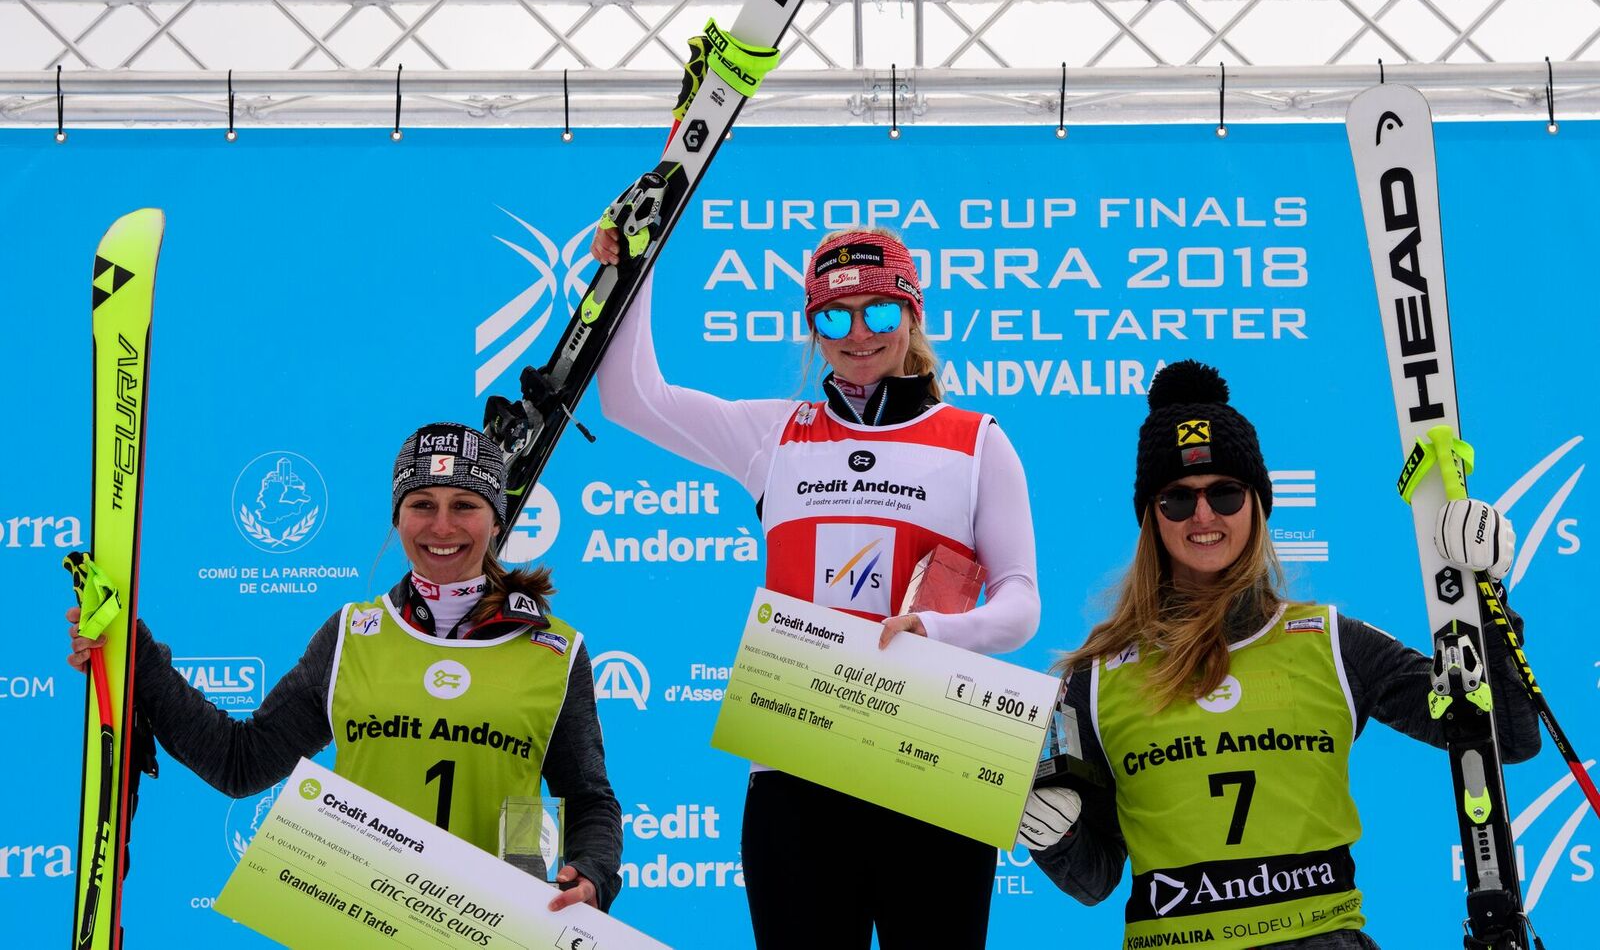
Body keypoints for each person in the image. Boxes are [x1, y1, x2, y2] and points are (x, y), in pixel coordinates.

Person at [590, 225, 1040, 949]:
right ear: (812, 327)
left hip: (931, 756)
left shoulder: (977, 440)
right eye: (833, 316)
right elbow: (632, 399)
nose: (857, 334)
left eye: (879, 312)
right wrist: (634, 271)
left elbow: (1021, 601)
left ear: (912, 314)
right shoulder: (776, 436)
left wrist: (936, 632)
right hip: (799, 763)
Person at [1017, 360, 1539, 949]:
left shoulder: (1331, 643)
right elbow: (1096, 879)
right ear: (1150, 517)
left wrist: (1484, 597)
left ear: (1259, 504)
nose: (1204, 516)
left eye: (1225, 493)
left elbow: (1505, 738)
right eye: (1177, 501)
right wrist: (1055, 838)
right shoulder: (1095, 679)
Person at [68, 421, 623, 912]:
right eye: (422, 504)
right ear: (398, 518)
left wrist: (593, 874)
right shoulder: (352, 635)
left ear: (496, 519)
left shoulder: (552, 648)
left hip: (495, 926)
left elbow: (589, 799)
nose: (443, 525)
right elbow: (242, 762)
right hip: (365, 920)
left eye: (465, 505)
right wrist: (134, 654)